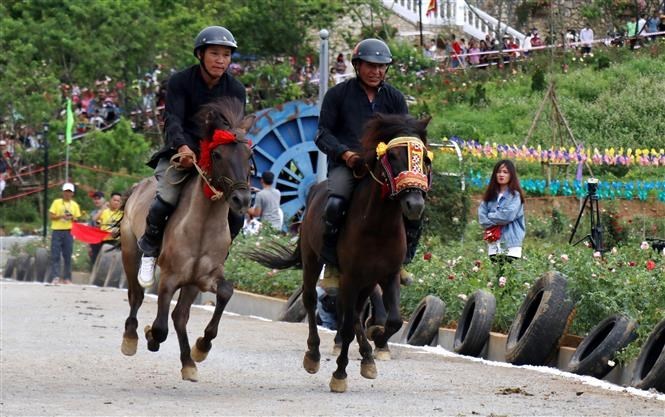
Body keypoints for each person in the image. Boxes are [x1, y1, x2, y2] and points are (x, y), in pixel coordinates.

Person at [136, 25, 246, 288]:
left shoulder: (236, 89)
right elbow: (172, 119)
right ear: (200, 54)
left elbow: (233, 128)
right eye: (215, 54)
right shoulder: (180, 82)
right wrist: (182, 147)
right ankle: (150, 252)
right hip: (182, 152)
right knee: (166, 198)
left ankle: (219, 258)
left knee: (238, 211)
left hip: (218, 158)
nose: (221, 60)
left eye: (226, 55)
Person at [315, 37, 421, 284]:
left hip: (386, 167)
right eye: (371, 66)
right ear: (357, 65)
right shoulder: (337, 95)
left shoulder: (395, 98)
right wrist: (345, 154)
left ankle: (402, 262)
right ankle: (331, 264)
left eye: (381, 66)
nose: (376, 71)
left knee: (414, 202)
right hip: (348, 164)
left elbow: (405, 134)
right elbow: (322, 134)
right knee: (335, 203)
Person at [477, 159, 526, 267]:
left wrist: (490, 215)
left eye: (505, 172)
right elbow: (482, 218)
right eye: (499, 172)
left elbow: (507, 216)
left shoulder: (515, 196)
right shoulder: (490, 195)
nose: (501, 175)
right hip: (493, 243)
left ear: (511, 175)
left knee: (508, 277)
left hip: (511, 243)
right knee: (496, 278)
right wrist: (497, 217)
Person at [49, 182, 82, 284]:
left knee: (68, 255)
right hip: (57, 230)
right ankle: (55, 276)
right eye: (66, 191)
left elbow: (77, 219)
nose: (68, 193)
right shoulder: (56, 202)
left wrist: (72, 217)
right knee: (55, 254)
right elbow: (51, 216)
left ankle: (67, 278)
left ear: (72, 193)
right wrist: (61, 216)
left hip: (69, 231)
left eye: (70, 192)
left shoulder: (75, 205)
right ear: (63, 192)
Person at [88, 190, 106, 266]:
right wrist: (88, 246)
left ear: (103, 199)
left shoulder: (110, 210)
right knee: (95, 263)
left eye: (98, 198)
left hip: (106, 240)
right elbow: (89, 230)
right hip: (94, 242)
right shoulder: (93, 213)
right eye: (94, 199)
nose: (96, 200)